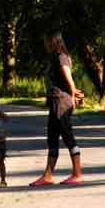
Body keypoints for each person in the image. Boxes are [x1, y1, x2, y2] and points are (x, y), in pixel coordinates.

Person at [30, 31, 85, 187]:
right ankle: (47, 176)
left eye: (47, 42)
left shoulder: (61, 56)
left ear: (53, 42)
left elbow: (66, 73)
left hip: (62, 103)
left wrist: (73, 90)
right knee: (52, 138)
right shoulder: (57, 57)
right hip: (55, 103)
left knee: (68, 137)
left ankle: (77, 174)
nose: (45, 45)